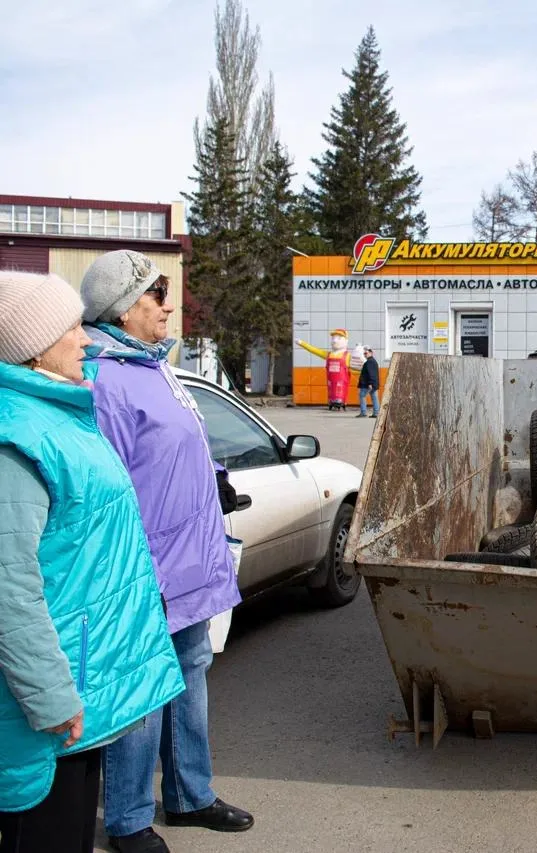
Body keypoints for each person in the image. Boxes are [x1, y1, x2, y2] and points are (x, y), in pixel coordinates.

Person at [0, 271, 185, 853]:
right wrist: (51, 696)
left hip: (76, 690)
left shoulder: (59, 412)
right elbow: (9, 589)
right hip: (45, 708)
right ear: (34, 347)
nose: (86, 338)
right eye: (71, 327)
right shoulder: (17, 437)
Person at [79, 250, 254, 853]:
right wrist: (127, 574)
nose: (168, 305)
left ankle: (189, 795)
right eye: (156, 294)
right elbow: (105, 487)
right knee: (140, 692)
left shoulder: (153, 366)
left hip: (188, 563)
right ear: (123, 308)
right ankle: (127, 820)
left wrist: (216, 477)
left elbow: (176, 449)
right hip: (144, 570)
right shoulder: (105, 378)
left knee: (189, 674)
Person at [357, 345, 380, 417]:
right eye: (364, 353)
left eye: (366, 353)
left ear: (371, 353)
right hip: (372, 383)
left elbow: (371, 373)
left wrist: (370, 383)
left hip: (367, 384)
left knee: (362, 396)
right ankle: (376, 413)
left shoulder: (370, 362)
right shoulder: (372, 361)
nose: (365, 355)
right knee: (374, 397)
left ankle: (363, 412)